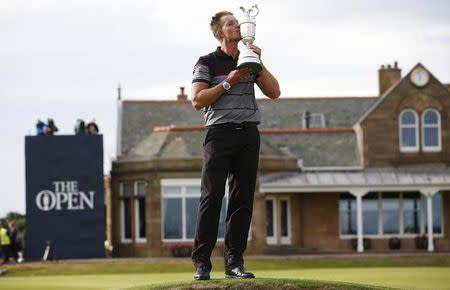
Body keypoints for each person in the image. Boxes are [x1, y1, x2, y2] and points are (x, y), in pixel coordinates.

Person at [190, 10, 280, 280]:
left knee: (242, 201)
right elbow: (197, 100)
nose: (237, 26)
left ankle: (234, 264)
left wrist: (257, 62)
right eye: (231, 23)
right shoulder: (206, 61)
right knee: (212, 197)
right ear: (220, 32)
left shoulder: (249, 59)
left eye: (237, 22)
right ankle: (202, 263)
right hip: (219, 134)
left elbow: (275, 92)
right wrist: (229, 82)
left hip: (248, 134)